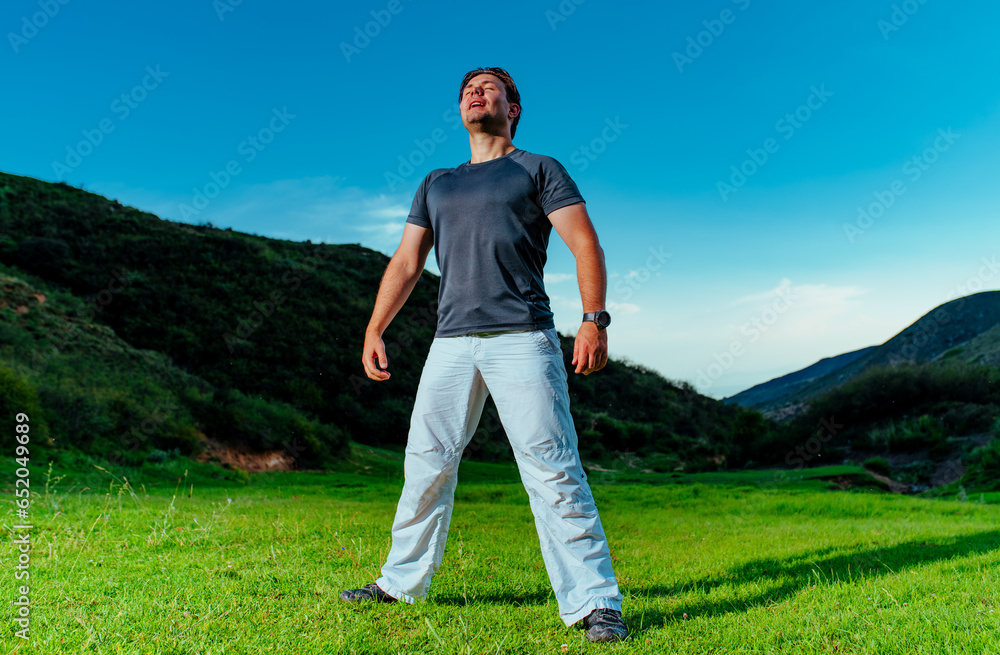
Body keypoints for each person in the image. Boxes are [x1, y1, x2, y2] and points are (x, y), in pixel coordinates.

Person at [340, 66, 627, 643]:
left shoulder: (538, 169)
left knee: (551, 467)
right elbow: (406, 262)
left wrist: (593, 320)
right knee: (425, 461)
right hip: (449, 342)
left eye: (489, 86)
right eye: (468, 88)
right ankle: (400, 581)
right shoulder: (436, 181)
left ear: (513, 107)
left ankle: (595, 603)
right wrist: (375, 327)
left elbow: (585, 242)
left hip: (522, 335)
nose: (475, 92)